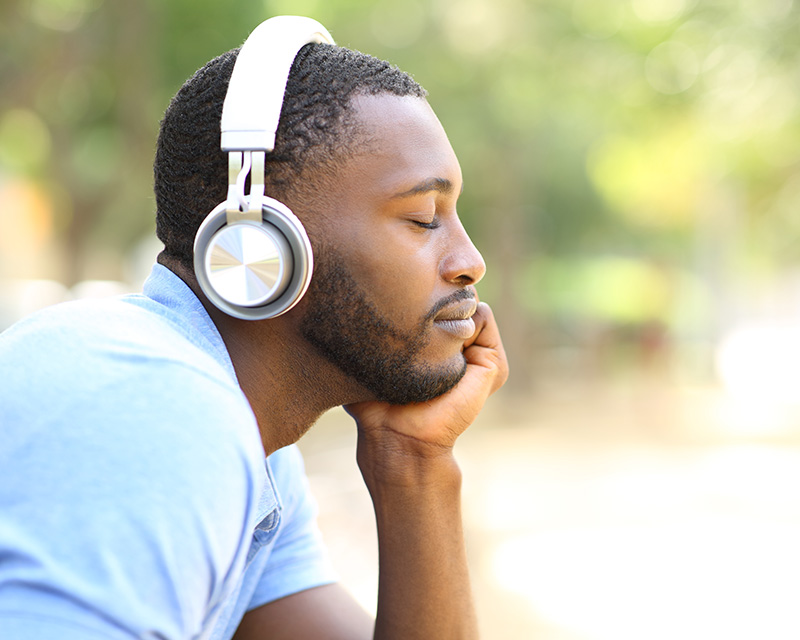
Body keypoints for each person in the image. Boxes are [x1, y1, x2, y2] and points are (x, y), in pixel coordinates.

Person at [0, 16, 508, 640]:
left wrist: (417, 461)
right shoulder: (148, 405)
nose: (469, 261)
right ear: (260, 245)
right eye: (424, 218)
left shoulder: (252, 442)